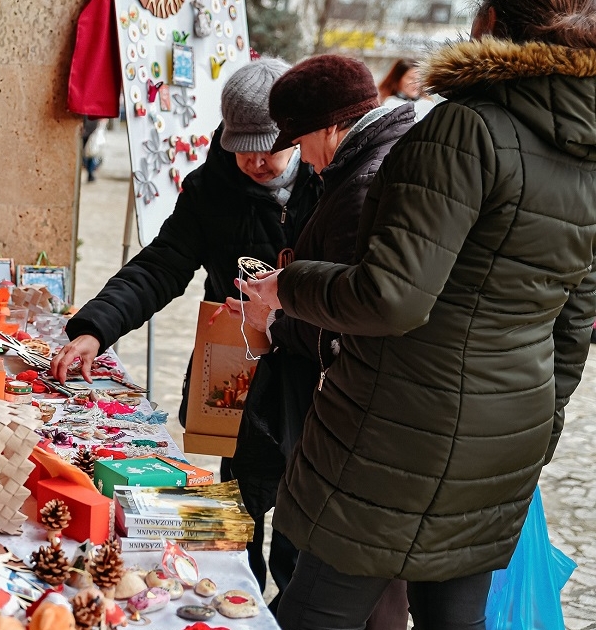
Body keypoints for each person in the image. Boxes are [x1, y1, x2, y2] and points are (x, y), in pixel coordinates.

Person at [241, 0, 596, 626]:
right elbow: (574, 322)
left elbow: (391, 296)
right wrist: (539, 423)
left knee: (317, 611)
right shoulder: (584, 145)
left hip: (400, 435)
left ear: (492, 23)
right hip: (507, 436)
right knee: (453, 618)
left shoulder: (466, 127)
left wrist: (289, 285)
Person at [52, 58, 321, 601]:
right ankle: (234, 603)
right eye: (242, 146)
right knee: (239, 512)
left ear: (294, 137)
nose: (255, 161)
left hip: (318, 378)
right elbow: (161, 266)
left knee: (306, 528)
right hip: (240, 377)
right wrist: (96, 330)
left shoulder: (331, 182)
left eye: (269, 146)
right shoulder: (211, 188)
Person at [226, 54, 414, 624]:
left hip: (348, 418)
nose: (298, 154)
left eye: (297, 139)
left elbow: (354, 316)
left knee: (321, 593)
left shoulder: (360, 184)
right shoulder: (368, 166)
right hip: (334, 412)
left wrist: (276, 316)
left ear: (331, 127)